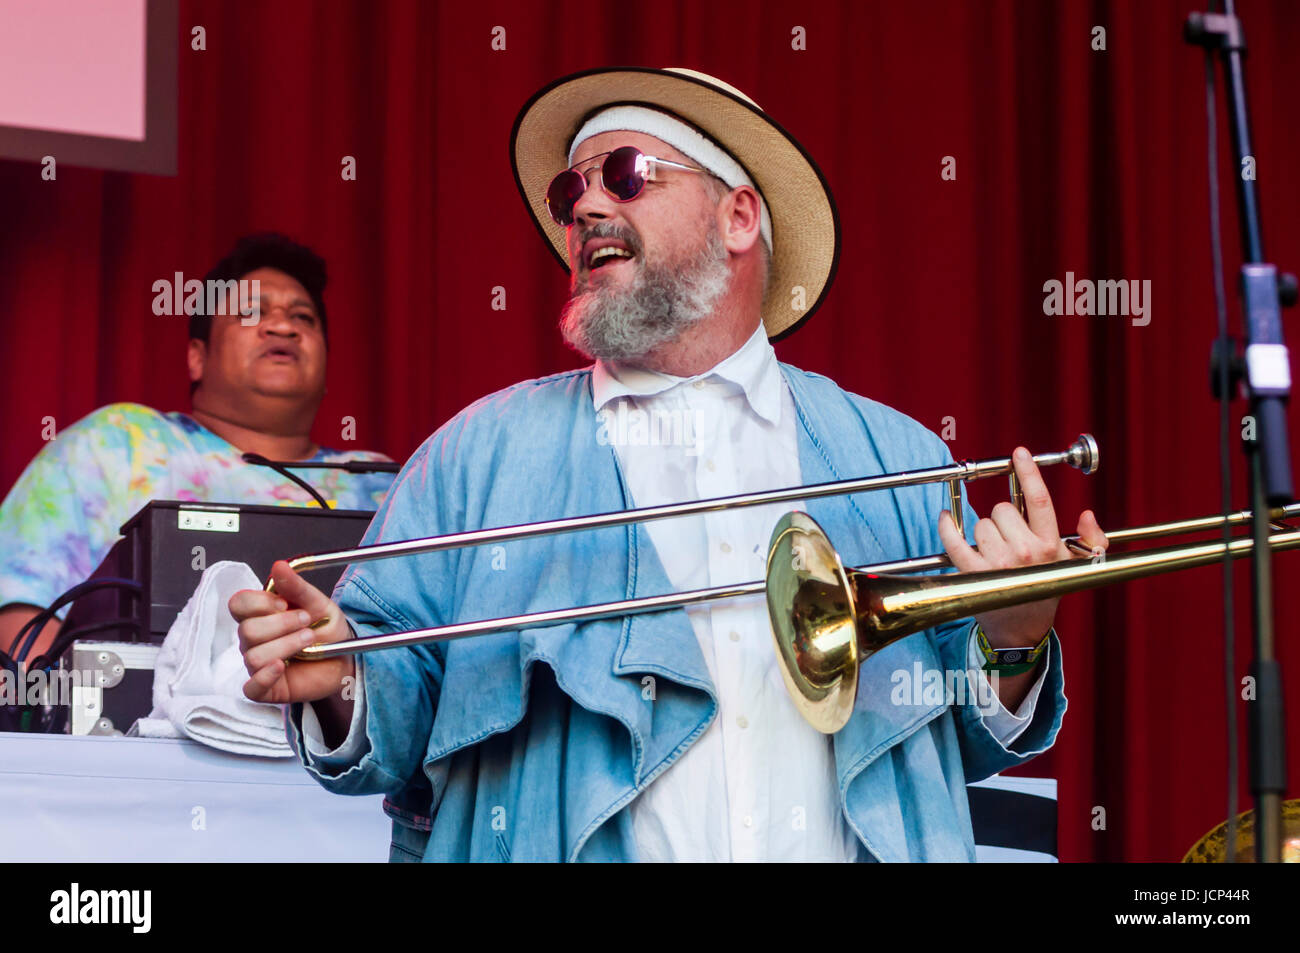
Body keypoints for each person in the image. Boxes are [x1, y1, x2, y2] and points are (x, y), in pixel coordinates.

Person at [232, 69, 1109, 862]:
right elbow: (395, 690)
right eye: (570, 189)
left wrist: (1016, 638)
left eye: (623, 175)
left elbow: (969, 729)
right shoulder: (475, 455)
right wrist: (341, 676)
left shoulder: (902, 458)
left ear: (738, 216)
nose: (582, 210)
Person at [0, 233, 393, 664]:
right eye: (251, 312)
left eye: (304, 318)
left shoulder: (378, 483)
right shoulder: (121, 441)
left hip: (328, 729)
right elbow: (21, 606)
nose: (283, 326)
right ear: (197, 357)